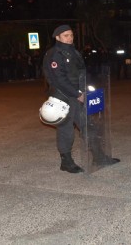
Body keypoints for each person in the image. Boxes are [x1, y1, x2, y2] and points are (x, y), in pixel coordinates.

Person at [42, 25, 87, 173]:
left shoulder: (73, 52)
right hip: (63, 97)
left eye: (71, 35)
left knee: (88, 124)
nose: (70, 38)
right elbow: (59, 79)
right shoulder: (54, 54)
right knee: (66, 130)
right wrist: (77, 93)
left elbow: (80, 73)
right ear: (57, 37)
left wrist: (85, 89)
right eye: (66, 35)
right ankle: (66, 162)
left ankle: (99, 154)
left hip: (76, 95)